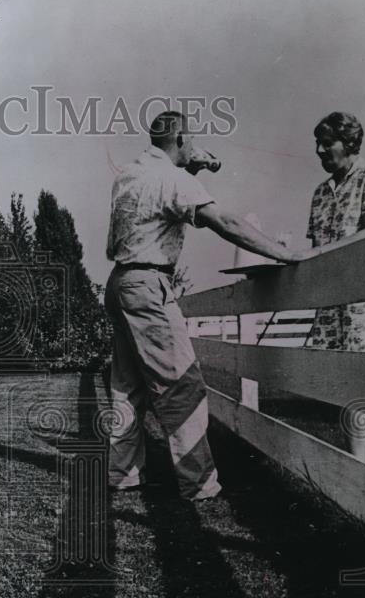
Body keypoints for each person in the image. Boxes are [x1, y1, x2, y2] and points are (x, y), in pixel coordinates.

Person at [105, 111, 313, 499]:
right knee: (181, 384)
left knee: (128, 387)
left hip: (120, 283)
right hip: (149, 284)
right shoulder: (173, 178)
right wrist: (283, 253)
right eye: (191, 139)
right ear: (181, 138)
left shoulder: (131, 173)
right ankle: (198, 482)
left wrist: (192, 166)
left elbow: (160, 208)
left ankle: (122, 473)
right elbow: (225, 222)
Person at [304, 111, 365, 462]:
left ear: (349, 143)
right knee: (345, 391)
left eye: (327, 143)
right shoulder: (319, 192)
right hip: (332, 305)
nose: (319, 150)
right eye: (317, 143)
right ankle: (356, 477)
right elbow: (314, 248)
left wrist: (318, 254)